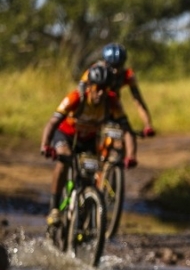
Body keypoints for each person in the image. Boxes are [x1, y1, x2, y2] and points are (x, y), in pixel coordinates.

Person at [40, 64, 138, 226]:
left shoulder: (112, 101)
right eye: (97, 88)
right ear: (89, 86)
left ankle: (83, 217)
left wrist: (131, 155)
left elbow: (126, 130)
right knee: (64, 159)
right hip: (66, 135)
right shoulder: (76, 97)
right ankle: (54, 208)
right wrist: (45, 145)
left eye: (105, 89)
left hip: (88, 140)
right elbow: (52, 122)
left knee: (90, 176)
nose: (101, 93)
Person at [79, 43, 156, 137]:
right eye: (112, 66)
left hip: (113, 107)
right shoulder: (95, 71)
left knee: (127, 132)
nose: (115, 71)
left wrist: (147, 125)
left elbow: (138, 100)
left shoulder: (128, 75)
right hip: (93, 109)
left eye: (119, 66)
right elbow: (81, 92)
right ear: (105, 63)